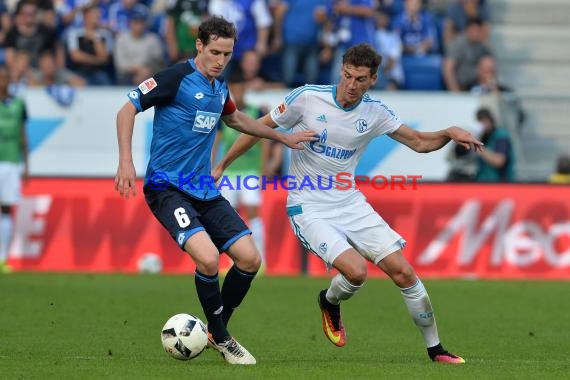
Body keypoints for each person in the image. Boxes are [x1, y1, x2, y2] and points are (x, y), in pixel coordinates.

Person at [214, 43, 483, 364]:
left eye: (360, 79)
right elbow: (256, 128)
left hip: (350, 202)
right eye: (348, 76)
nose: (352, 85)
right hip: (308, 204)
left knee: (404, 272)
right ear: (341, 71)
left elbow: (420, 143)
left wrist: (449, 132)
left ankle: (436, 350)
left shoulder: (375, 112)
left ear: (373, 79)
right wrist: (222, 166)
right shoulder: (307, 97)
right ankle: (330, 302)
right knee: (356, 272)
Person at [114, 16, 316, 365]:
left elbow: (237, 120)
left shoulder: (219, 88)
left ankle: (214, 327)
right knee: (208, 258)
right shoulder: (175, 78)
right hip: (167, 188)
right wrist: (125, 161)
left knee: (251, 259)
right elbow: (126, 109)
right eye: (215, 52)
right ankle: (222, 337)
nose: (221, 60)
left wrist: (281, 137)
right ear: (199, 45)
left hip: (204, 189)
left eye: (227, 54)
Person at [212, 69, 282, 266]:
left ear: (246, 88)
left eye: (242, 87)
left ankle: (262, 261)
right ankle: (232, 263)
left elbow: (265, 140)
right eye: (235, 87)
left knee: (253, 213)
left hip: (250, 173)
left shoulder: (256, 112)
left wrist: (263, 168)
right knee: (229, 218)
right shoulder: (223, 116)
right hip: (229, 173)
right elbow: (215, 143)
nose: (239, 90)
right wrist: (212, 168)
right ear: (231, 89)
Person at [0, 66, 28, 274]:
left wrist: (26, 165)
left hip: (10, 162)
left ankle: (2, 258)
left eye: (6, 77)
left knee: (7, 209)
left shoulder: (19, 104)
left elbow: (22, 136)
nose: (3, 81)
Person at [474, 107, 515, 182]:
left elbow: (499, 160)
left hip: (499, 183)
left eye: (484, 121)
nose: (483, 125)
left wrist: (479, 149)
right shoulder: (483, 136)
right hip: (483, 181)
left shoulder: (501, 135)